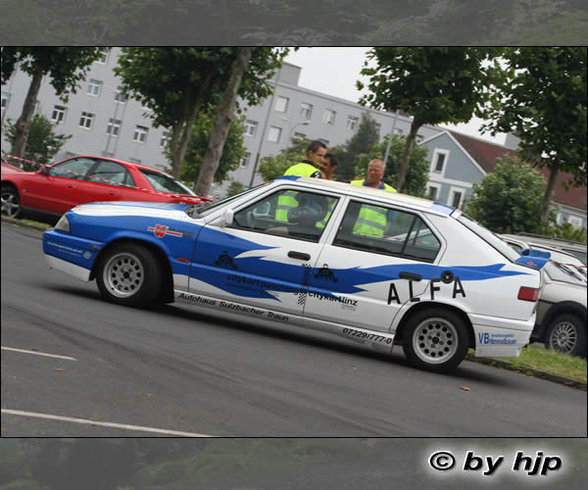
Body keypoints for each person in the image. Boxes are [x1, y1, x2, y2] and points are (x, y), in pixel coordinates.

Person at [276, 140, 326, 221]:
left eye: (323, 156)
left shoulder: (291, 169)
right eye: (319, 155)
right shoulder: (315, 173)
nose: (322, 159)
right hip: (296, 220)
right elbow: (314, 202)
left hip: (280, 217)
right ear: (310, 153)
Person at [350, 159, 396, 238]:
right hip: (350, 235)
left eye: (376, 171)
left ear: (382, 173)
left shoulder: (390, 193)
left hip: (373, 239)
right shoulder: (355, 185)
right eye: (370, 170)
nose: (372, 173)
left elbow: (390, 219)